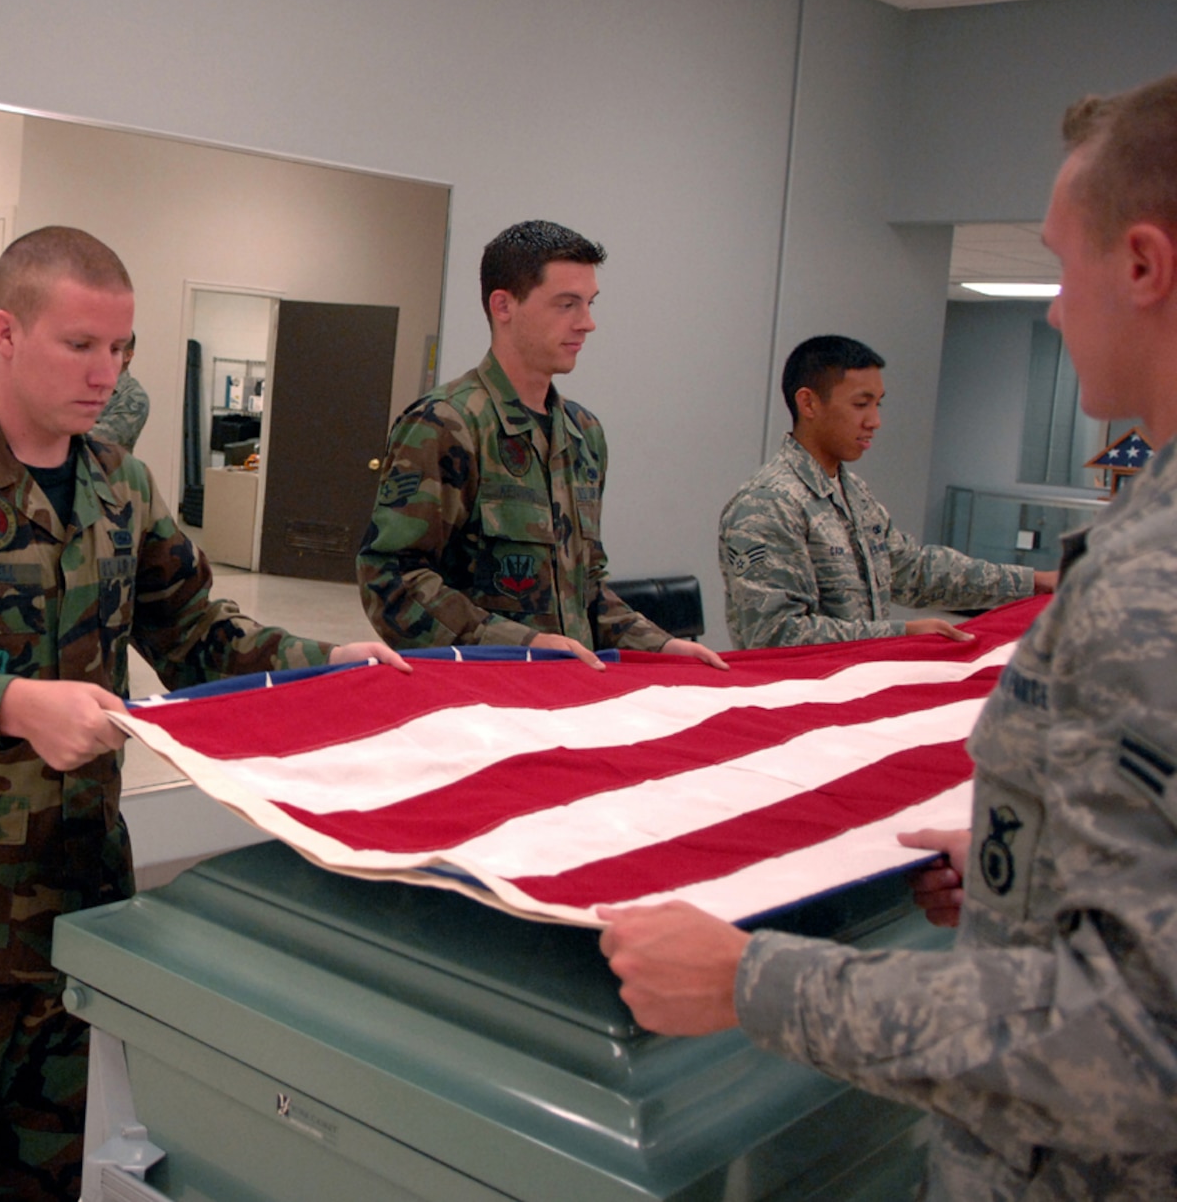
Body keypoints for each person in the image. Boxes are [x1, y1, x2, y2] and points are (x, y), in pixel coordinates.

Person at [600, 73, 1177, 1200]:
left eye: (1060, 267)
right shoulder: (769, 502)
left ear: (1143, 265)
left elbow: (1126, 1038)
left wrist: (752, 982)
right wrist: (1025, 871)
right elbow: (782, 641)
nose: (1053, 309)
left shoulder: (1143, 584)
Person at [0, 225, 406, 1200]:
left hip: (80, 916)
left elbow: (194, 631)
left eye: (120, 348)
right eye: (79, 344)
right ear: (6, 333)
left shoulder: (117, 484)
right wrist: (8, 705)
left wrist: (319, 663)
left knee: (53, 1179)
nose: (105, 372)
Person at [357, 219, 726, 671]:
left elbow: (586, 586)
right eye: (566, 304)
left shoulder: (583, 433)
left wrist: (659, 645)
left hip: (569, 694)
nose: (587, 323)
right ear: (503, 305)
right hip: (479, 698)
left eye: (589, 304)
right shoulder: (446, 424)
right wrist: (520, 645)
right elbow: (392, 580)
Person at [719, 334, 1056, 650]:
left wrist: (1034, 582)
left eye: (878, 404)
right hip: (799, 699)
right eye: (861, 404)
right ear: (808, 403)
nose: (874, 420)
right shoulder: (769, 502)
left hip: (851, 688)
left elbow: (913, 572)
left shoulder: (852, 491)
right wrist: (900, 634)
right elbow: (773, 636)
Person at [90, 330, 148, 450]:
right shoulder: (87, 384)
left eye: (114, 349)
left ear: (128, 355)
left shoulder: (134, 396)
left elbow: (106, 437)